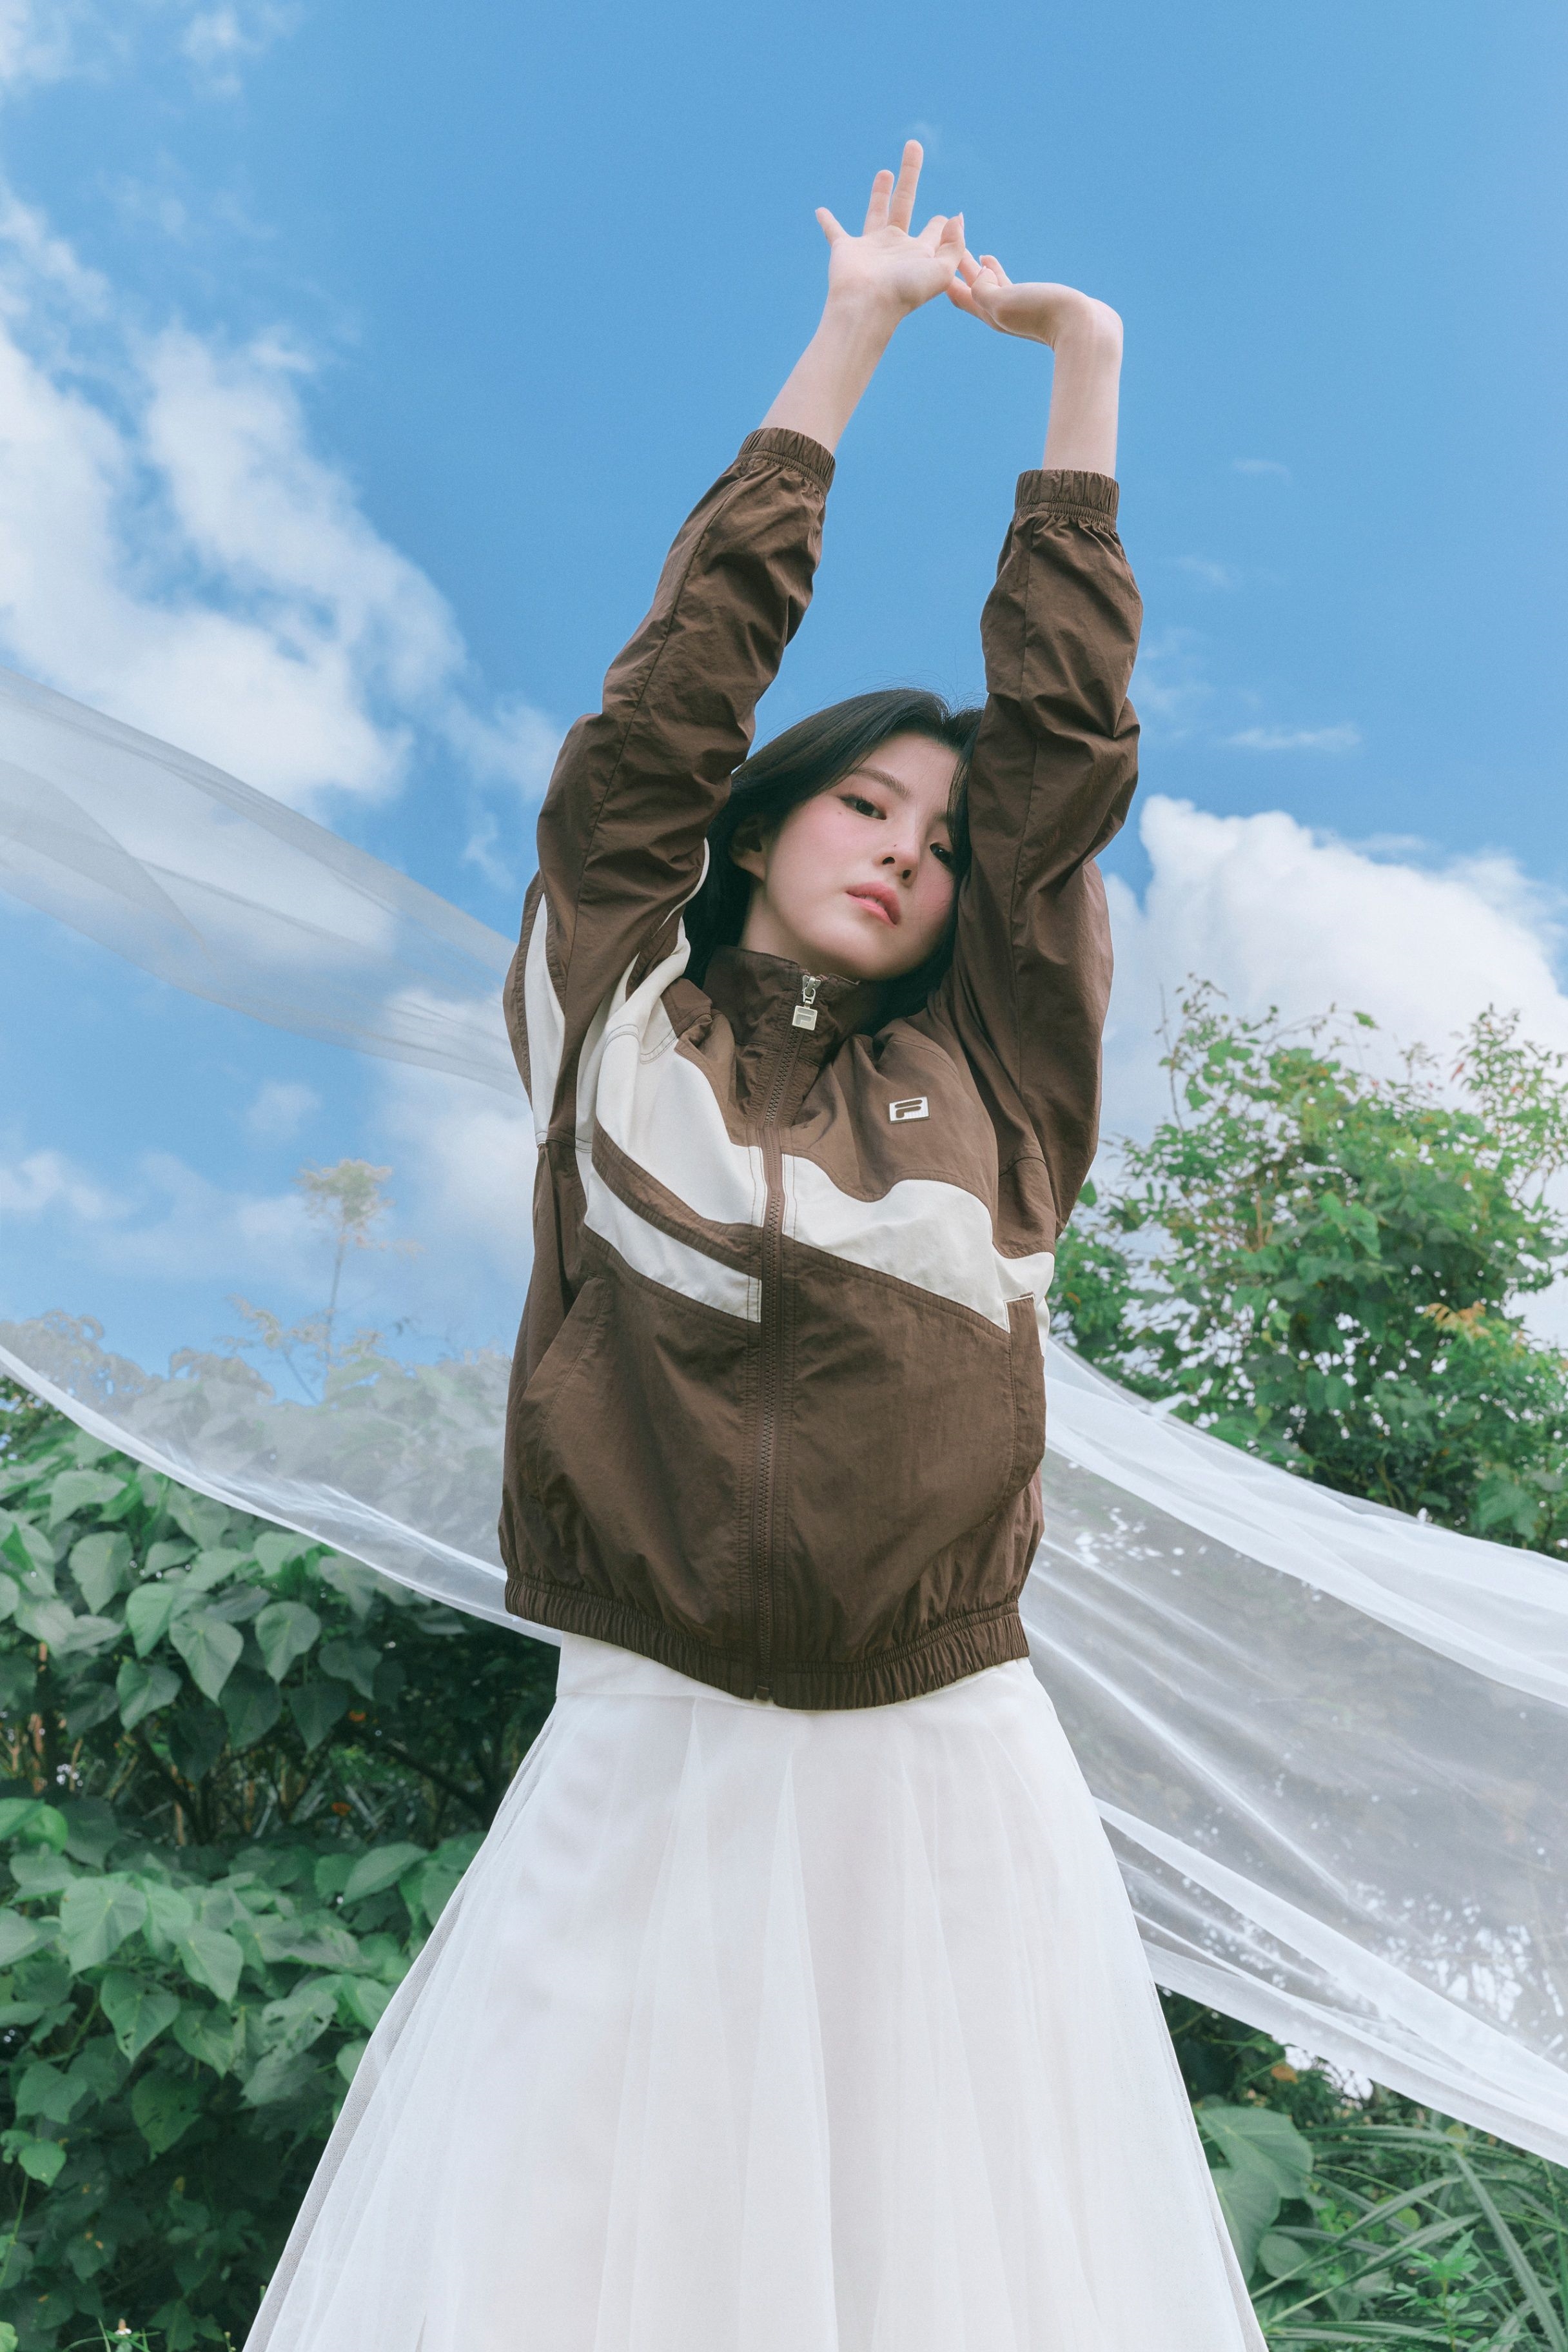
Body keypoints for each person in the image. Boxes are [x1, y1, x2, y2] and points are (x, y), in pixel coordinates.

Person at [244, 144, 1263, 2352]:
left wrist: (1081, 378)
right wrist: (853, 338)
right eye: (863, 803)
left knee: (951, 2276)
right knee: (579, 2267)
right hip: (653, 1744)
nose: (904, 851)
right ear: (768, 819)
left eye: (941, 840)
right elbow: (658, 721)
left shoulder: (1003, 1081)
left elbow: (1062, 759)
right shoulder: (616, 1011)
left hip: (942, 1766)